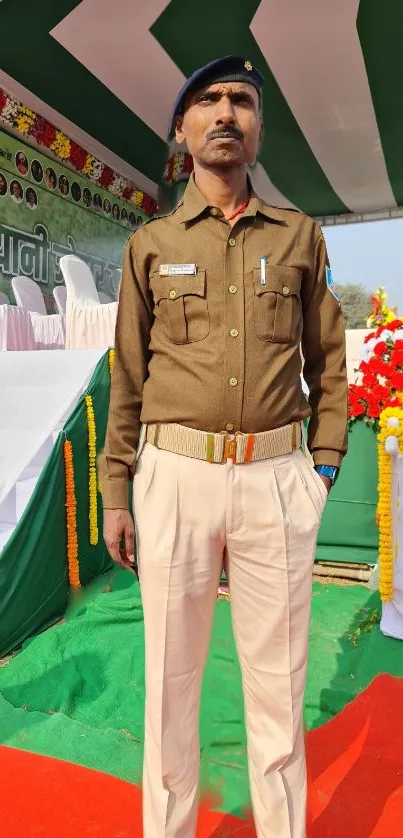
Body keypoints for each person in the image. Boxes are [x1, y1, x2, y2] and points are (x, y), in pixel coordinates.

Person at [99, 55, 348, 838]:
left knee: (278, 685)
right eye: (207, 101)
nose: (225, 113)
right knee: (172, 688)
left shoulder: (300, 237)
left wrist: (324, 463)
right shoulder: (149, 244)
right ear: (182, 128)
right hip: (175, 479)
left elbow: (329, 362)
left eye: (241, 100)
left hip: (277, 478)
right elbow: (128, 377)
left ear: (258, 126)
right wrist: (115, 490)